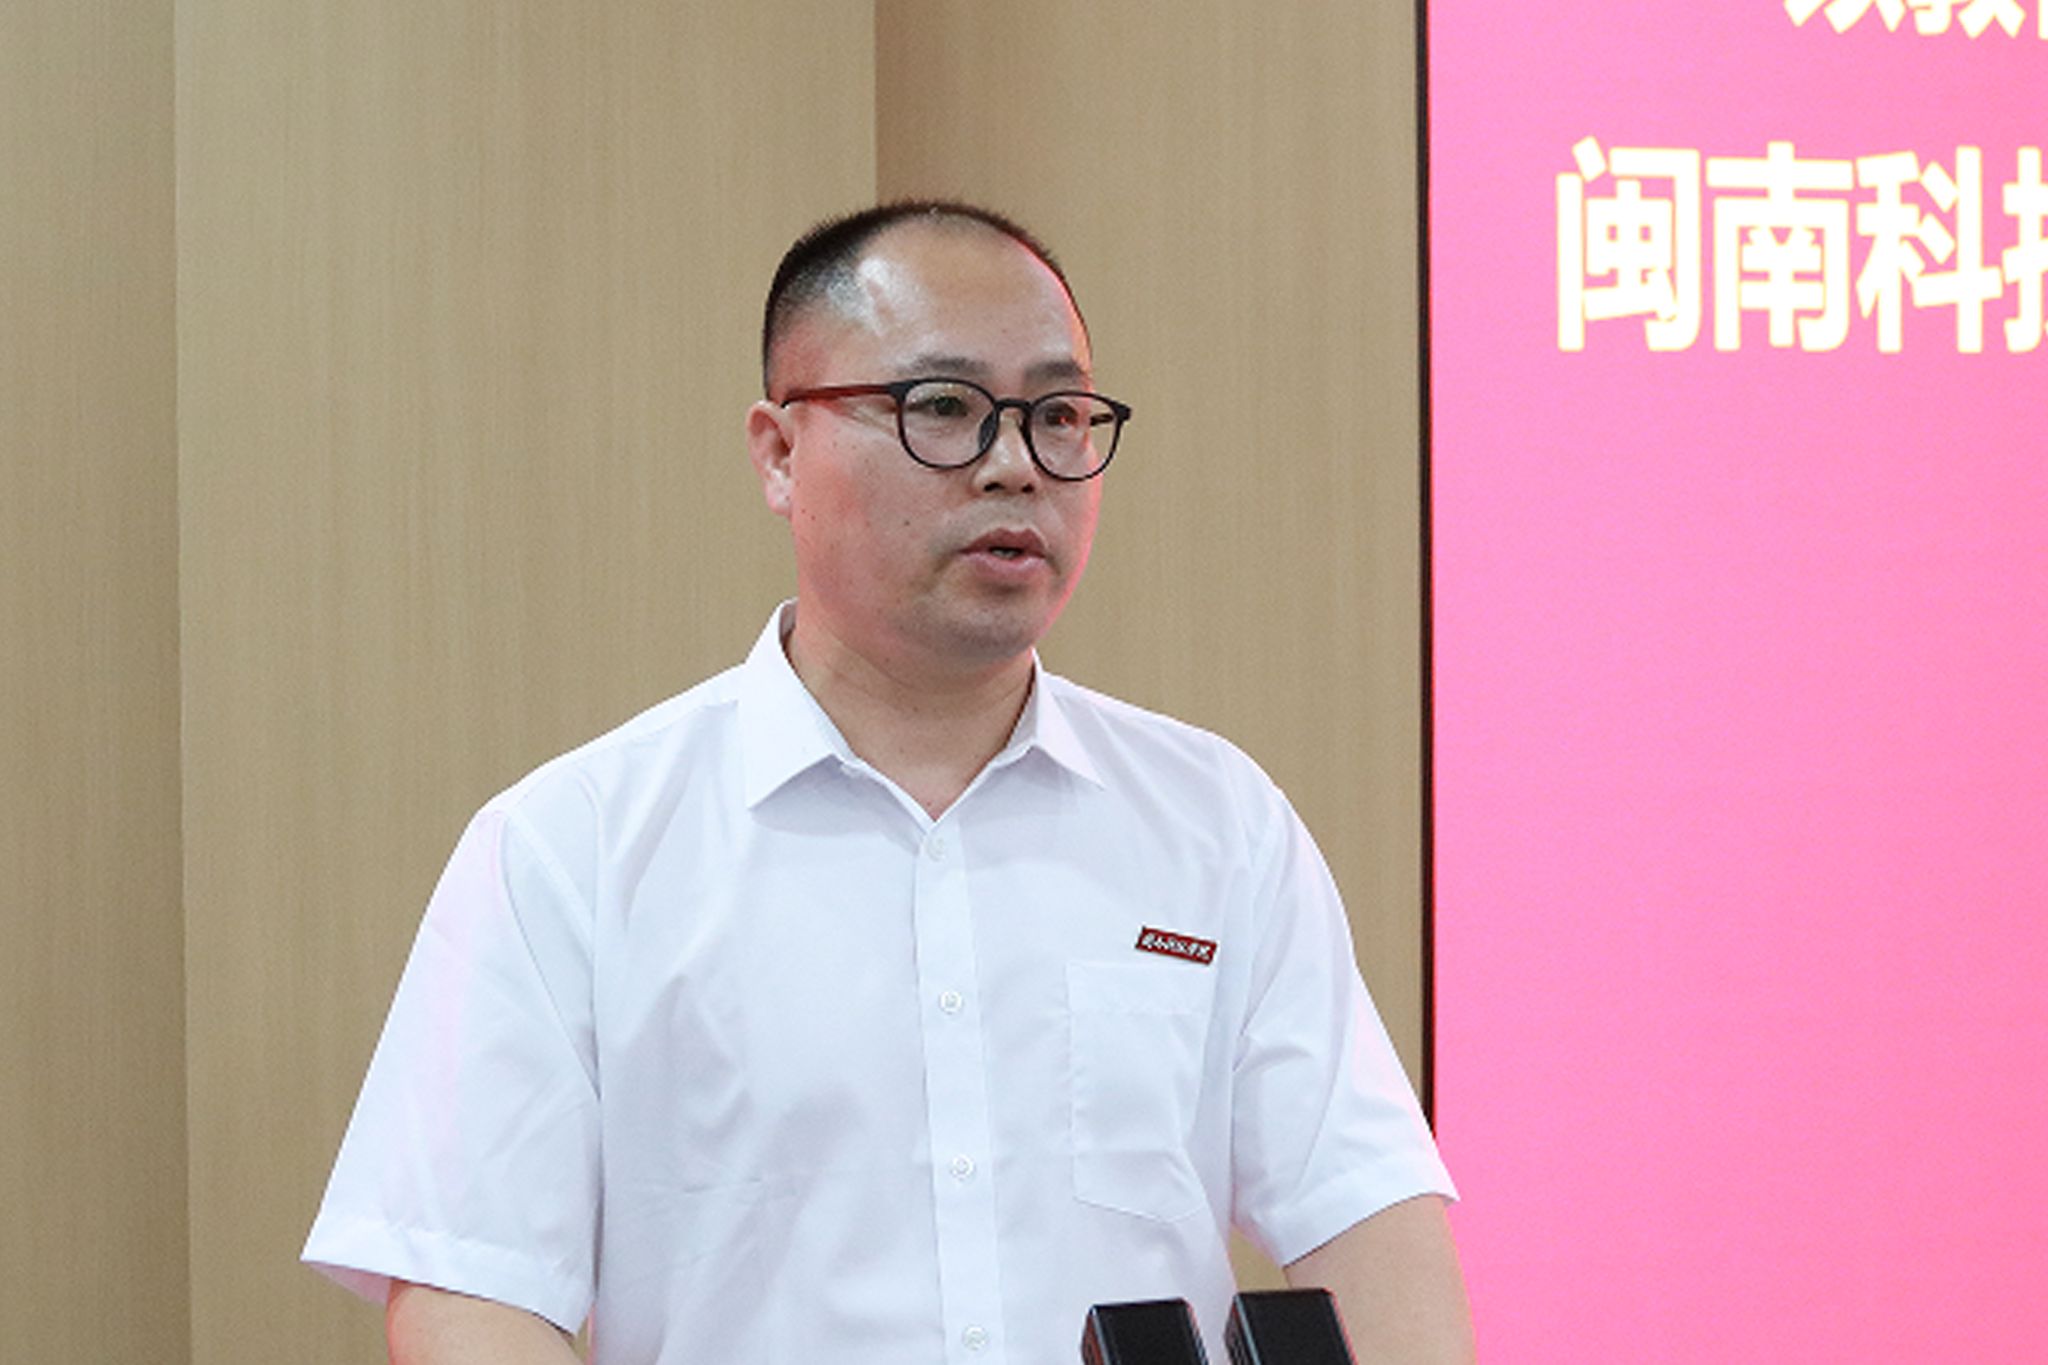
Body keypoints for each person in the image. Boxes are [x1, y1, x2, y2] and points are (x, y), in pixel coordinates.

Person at [305, 202, 1474, 1365]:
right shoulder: (572, 848)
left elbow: (1365, 1220)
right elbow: (471, 1293)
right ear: (779, 454)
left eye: (1058, 416)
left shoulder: (1214, 822)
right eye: (943, 408)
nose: (1015, 464)